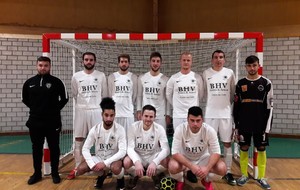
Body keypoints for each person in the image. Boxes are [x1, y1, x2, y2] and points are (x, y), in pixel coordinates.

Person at [22, 56, 69, 185]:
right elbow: (25, 99)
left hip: (52, 122)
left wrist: (53, 110)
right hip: (35, 122)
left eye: (46, 65)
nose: (43, 68)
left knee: (54, 147)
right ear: (37, 66)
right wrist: (37, 109)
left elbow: (65, 98)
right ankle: (37, 173)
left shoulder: (57, 82)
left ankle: (55, 173)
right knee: (36, 148)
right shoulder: (29, 82)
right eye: (40, 65)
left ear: (50, 66)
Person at [233, 55, 273, 190]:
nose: (252, 68)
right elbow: (236, 106)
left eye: (254, 65)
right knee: (244, 148)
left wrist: (267, 128)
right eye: (249, 66)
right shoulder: (240, 83)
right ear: (245, 67)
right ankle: (244, 175)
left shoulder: (266, 83)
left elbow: (269, 107)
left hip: (260, 124)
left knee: (261, 148)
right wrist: (236, 125)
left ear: (258, 65)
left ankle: (261, 177)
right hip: (244, 123)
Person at [69, 97, 127, 190]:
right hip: (99, 158)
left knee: (116, 168)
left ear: (114, 115)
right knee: (80, 169)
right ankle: (101, 176)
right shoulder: (95, 129)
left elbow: (122, 152)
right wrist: (92, 165)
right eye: (106, 115)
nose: (109, 118)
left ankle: (120, 180)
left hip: (113, 160)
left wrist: (105, 163)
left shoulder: (120, 129)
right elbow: (85, 149)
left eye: (111, 115)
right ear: (102, 115)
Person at [67, 52, 107, 179]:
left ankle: (100, 166)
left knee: (99, 139)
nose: (88, 62)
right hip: (81, 110)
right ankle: (78, 167)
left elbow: (104, 94)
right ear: (83, 61)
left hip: (96, 110)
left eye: (91, 60)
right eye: (86, 59)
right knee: (79, 139)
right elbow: (74, 94)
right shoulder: (76, 76)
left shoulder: (101, 75)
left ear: (95, 61)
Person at [168, 106, 227, 190]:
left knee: (222, 168)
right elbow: (175, 153)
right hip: (186, 159)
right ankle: (180, 180)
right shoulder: (180, 129)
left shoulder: (209, 130)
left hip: (203, 159)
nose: (195, 124)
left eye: (198, 120)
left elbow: (216, 152)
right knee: (172, 166)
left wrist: (207, 168)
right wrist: (191, 166)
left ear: (202, 120)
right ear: (187, 119)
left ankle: (207, 180)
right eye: (192, 120)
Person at [202, 50, 236, 185]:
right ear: (212, 60)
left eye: (221, 57)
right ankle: (208, 168)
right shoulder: (206, 73)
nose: (218, 59)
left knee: (227, 143)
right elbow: (203, 92)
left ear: (224, 60)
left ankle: (227, 171)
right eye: (215, 57)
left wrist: (225, 105)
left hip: (225, 114)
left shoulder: (230, 73)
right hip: (210, 114)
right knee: (209, 143)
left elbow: (233, 92)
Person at [123, 105, 170, 189]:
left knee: (167, 161)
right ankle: (135, 174)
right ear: (141, 116)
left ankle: (155, 174)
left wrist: (155, 162)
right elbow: (129, 148)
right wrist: (137, 162)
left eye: (151, 116)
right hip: (139, 155)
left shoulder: (160, 128)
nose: (148, 119)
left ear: (155, 117)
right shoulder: (133, 127)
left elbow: (166, 149)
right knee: (126, 162)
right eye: (146, 116)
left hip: (152, 155)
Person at [166, 51, 204, 130]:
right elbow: (168, 95)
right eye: (184, 60)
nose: (186, 62)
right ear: (180, 61)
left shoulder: (197, 77)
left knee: (193, 139)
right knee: (179, 140)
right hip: (178, 115)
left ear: (191, 62)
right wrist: (176, 104)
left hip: (193, 116)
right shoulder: (174, 78)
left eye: (188, 60)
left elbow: (200, 94)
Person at [137, 51, 171, 129]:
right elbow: (139, 96)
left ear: (161, 63)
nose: (155, 63)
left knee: (160, 139)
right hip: (146, 115)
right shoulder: (142, 78)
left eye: (158, 61)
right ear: (150, 62)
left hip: (160, 115)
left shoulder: (165, 79)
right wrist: (139, 110)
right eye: (153, 61)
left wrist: (168, 114)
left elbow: (167, 98)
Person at [108, 54, 137, 134]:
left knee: (129, 137)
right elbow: (110, 94)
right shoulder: (112, 77)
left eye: (126, 62)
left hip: (128, 114)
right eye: (122, 62)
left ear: (129, 63)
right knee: (115, 138)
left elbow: (134, 96)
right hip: (116, 114)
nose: (124, 64)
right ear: (118, 63)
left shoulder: (133, 77)